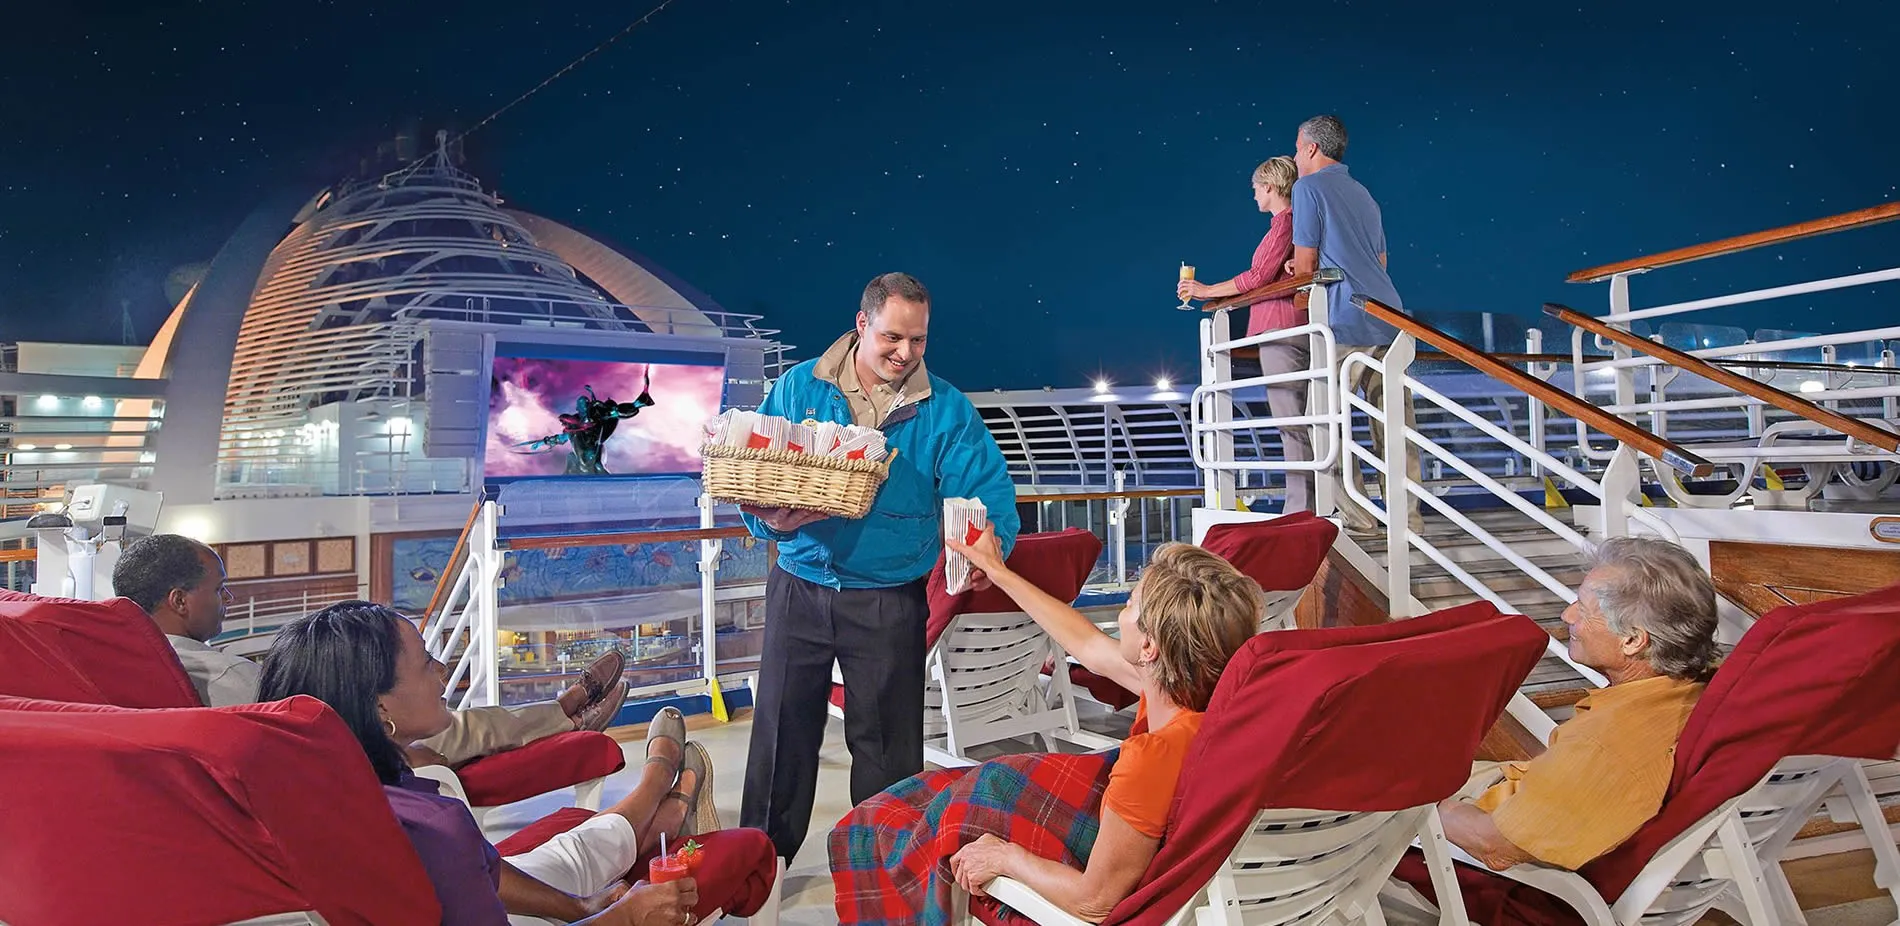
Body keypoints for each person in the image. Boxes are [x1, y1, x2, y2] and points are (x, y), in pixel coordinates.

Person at [259, 600, 778, 926]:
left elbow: (481, 871)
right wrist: (622, 919)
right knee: (580, 854)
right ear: (379, 710)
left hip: (483, 887)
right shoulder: (420, 831)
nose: (444, 673)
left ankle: (652, 803)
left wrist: (580, 908)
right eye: (425, 663)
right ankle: (658, 795)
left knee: (571, 852)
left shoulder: (337, 798)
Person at [737, 271, 1021, 862]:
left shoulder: (946, 409)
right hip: (799, 585)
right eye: (894, 337)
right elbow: (752, 475)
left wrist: (989, 543)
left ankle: (884, 876)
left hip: (890, 597)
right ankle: (757, 870)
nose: (906, 353)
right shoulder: (797, 387)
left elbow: (988, 492)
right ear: (861, 324)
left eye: (919, 341)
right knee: (779, 740)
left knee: (889, 754)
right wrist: (769, 524)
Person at [829, 537, 1262, 924]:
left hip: (1085, 870)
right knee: (916, 802)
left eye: (1131, 604)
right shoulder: (1205, 700)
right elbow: (1088, 644)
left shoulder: (1152, 759)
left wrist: (1006, 857)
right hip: (1110, 820)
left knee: (880, 828)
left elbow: (1096, 901)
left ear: (1148, 648)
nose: (1125, 610)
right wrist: (999, 571)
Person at [111, 533, 629, 768]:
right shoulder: (222, 676)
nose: (227, 600)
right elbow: (302, 748)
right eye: (216, 589)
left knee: (443, 717)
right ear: (178, 600)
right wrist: (398, 759)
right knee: (446, 723)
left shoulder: (126, 657)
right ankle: (565, 718)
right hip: (347, 756)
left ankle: (558, 714)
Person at [1431, 536, 1719, 872]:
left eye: (1582, 608)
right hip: (1514, 794)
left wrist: (1423, 811)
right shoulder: (1687, 693)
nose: (1567, 615)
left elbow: (1493, 846)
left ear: (1632, 640)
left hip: (1496, 867)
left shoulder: (1605, 747)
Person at [1286, 114, 1418, 536]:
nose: (1293, 155)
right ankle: (1409, 519)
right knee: (1394, 424)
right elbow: (1378, 261)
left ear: (1310, 148)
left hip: (1344, 317)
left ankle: (1358, 518)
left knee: (1324, 420)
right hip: (1389, 314)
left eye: (1295, 146)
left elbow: (1306, 263)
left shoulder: (1308, 188)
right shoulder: (1363, 193)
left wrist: (1299, 295)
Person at [1178, 155, 1313, 513]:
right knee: (1302, 420)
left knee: (1291, 422)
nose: (1254, 195)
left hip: (1280, 328)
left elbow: (1257, 277)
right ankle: (1307, 503)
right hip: (1292, 326)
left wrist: (1204, 291)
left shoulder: (1284, 224)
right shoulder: (1295, 224)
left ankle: (1300, 508)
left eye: (1256, 188)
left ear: (1269, 186)